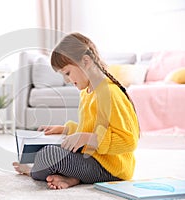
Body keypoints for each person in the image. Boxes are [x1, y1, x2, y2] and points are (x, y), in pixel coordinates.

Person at [13, 32, 140, 190]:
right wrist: (66, 129)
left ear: (86, 61)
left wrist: (87, 138)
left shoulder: (110, 93)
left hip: (112, 169)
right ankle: (73, 178)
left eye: (67, 73)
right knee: (49, 151)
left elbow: (129, 141)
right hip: (93, 158)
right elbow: (89, 128)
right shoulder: (87, 92)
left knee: (48, 155)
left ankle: (33, 171)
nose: (66, 80)